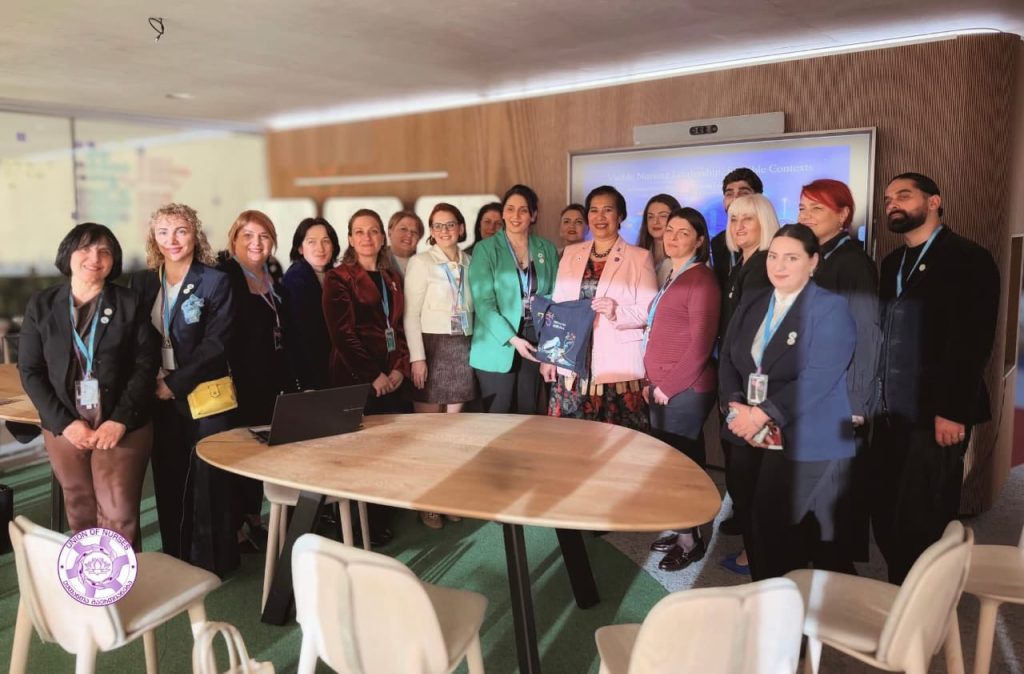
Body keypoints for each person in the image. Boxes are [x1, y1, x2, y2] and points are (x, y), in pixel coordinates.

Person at [871, 172, 999, 584]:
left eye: (903, 195)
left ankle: (919, 601)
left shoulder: (968, 258)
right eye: (888, 198)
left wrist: (953, 410)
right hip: (890, 411)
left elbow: (973, 342)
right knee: (886, 509)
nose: (892, 203)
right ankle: (900, 589)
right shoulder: (891, 263)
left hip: (936, 413)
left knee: (923, 514)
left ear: (934, 202)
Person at [720, 224, 857, 580]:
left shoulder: (830, 308)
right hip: (747, 429)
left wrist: (763, 415)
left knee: (780, 529)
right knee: (752, 517)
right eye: (774, 256)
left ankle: (786, 604)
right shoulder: (754, 300)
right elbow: (728, 358)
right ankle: (763, 592)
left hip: (800, 432)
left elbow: (820, 376)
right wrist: (736, 407)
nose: (779, 266)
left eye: (792, 258)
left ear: (813, 262)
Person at [18, 223, 158, 549]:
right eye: (85, 249)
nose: (95, 258)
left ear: (113, 260)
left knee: (118, 513)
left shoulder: (130, 302)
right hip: (65, 424)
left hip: (123, 423)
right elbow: (31, 371)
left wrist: (119, 420)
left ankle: (124, 581)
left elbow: (145, 365)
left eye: (104, 251)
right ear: (68, 254)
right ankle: (89, 578)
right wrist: (66, 424)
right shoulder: (42, 304)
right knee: (79, 507)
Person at [130, 203, 238, 575]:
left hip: (202, 390)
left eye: (181, 231)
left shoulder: (215, 281)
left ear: (195, 235)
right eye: (163, 232)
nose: (172, 240)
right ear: (153, 237)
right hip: (156, 391)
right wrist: (153, 381)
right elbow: (134, 337)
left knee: (209, 478)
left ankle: (214, 561)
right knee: (168, 474)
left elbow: (216, 343)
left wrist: (174, 384)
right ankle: (175, 556)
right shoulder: (143, 282)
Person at [797, 178, 881, 561]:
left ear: (843, 214)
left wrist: (856, 404)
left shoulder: (852, 263)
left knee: (835, 499)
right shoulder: (816, 257)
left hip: (840, 399)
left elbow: (866, 335)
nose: (806, 215)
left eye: (817, 208)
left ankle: (834, 579)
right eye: (802, 208)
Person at [540, 185, 657, 430]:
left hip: (616, 363)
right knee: (570, 438)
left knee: (617, 439)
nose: (600, 217)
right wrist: (549, 358)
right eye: (594, 210)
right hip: (572, 359)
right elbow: (558, 309)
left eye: (608, 210)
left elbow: (649, 312)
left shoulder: (639, 257)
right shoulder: (571, 253)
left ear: (620, 216)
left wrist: (616, 312)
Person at [642, 208, 720, 570]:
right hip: (664, 387)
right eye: (669, 231)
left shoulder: (701, 279)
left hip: (683, 389)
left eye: (683, 232)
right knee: (670, 464)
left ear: (700, 240)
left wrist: (668, 386)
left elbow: (701, 344)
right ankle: (681, 529)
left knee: (680, 469)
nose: (672, 237)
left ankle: (691, 541)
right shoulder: (675, 274)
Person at [217, 210, 298, 549]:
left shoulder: (271, 274)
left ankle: (253, 519)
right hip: (238, 382)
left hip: (271, 379)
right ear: (234, 239)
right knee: (240, 455)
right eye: (248, 236)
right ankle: (234, 527)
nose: (256, 243)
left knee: (262, 452)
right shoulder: (225, 275)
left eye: (264, 236)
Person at [403, 203, 475, 529]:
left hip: (461, 345)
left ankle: (450, 497)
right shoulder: (421, 262)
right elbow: (410, 315)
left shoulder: (470, 262)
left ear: (461, 228)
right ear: (431, 231)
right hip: (430, 347)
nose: (445, 231)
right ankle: (427, 502)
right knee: (428, 434)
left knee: (454, 434)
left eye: (450, 224)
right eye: (438, 226)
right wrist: (417, 357)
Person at [469, 184, 557, 414]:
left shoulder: (546, 249)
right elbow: (484, 304)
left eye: (523, 210)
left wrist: (550, 348)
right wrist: (513, 339)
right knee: (497, 418)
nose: (515, 216)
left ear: (533, 215)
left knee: (528, 414)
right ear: (503, 213)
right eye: (510, 209)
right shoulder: (485, 249)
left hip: (535, 339)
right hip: (497, 341)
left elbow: (556, 298)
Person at [281, 216, 341, 391]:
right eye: (311, 242)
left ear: (333, 246)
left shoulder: (336, 276)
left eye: (326, 241)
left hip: (334, 370)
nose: (320, 248)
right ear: (300, 248)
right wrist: (305, 382)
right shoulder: (295, 279)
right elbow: (297, 338)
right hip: (311, 375)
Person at [710, 168, 763, 290]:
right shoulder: (718, 242)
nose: (735, 199)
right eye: (729, 194)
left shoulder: (774, 240)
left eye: (744, 193)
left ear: (759, 199)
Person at [636, 194, 681, 283]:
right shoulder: (636, 255)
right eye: (651, 217)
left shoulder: (686, 256)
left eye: (663, 216)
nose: (656, 222)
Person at [387, 210, 425, 276]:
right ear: (390, 232)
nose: (409, 235)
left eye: (414, 232)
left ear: (419, 239)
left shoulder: (425, 265)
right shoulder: (376, 261)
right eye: (403, 229)